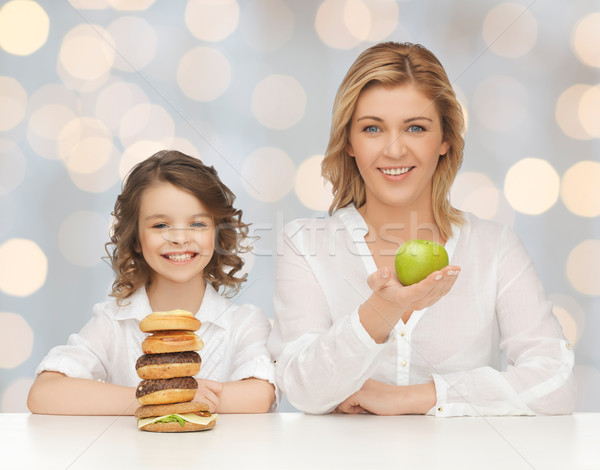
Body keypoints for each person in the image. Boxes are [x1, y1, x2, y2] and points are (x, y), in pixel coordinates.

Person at [267, 42, 575, 416]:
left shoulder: (495, 247)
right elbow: (301, 390)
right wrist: (382, 309)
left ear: (445, 139)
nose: (394, 151)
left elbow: (554, 381)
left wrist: (414, 397)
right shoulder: (305, 244)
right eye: (372, 128)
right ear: (349, 142)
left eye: (415, 127)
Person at [28, 150, 277, 415]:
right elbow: (44, 393)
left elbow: (260, 395)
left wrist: (180, 396)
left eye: (197, 224)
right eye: (160, 225)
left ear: (217, 234)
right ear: (135, 237)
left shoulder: (244, 322)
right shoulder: (114, 322)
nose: (180, 238)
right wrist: (153, 397)